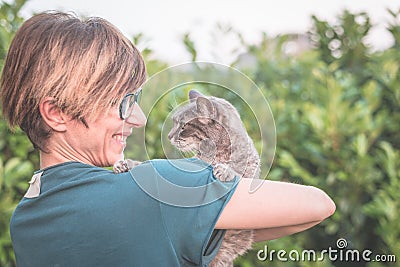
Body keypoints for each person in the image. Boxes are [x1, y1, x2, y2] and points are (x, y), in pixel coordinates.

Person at [0, 11, 335, 267]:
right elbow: (317, 205)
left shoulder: (26, 218)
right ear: (57, 112)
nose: (139, 119)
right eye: (122, 102)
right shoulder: (154, 191)